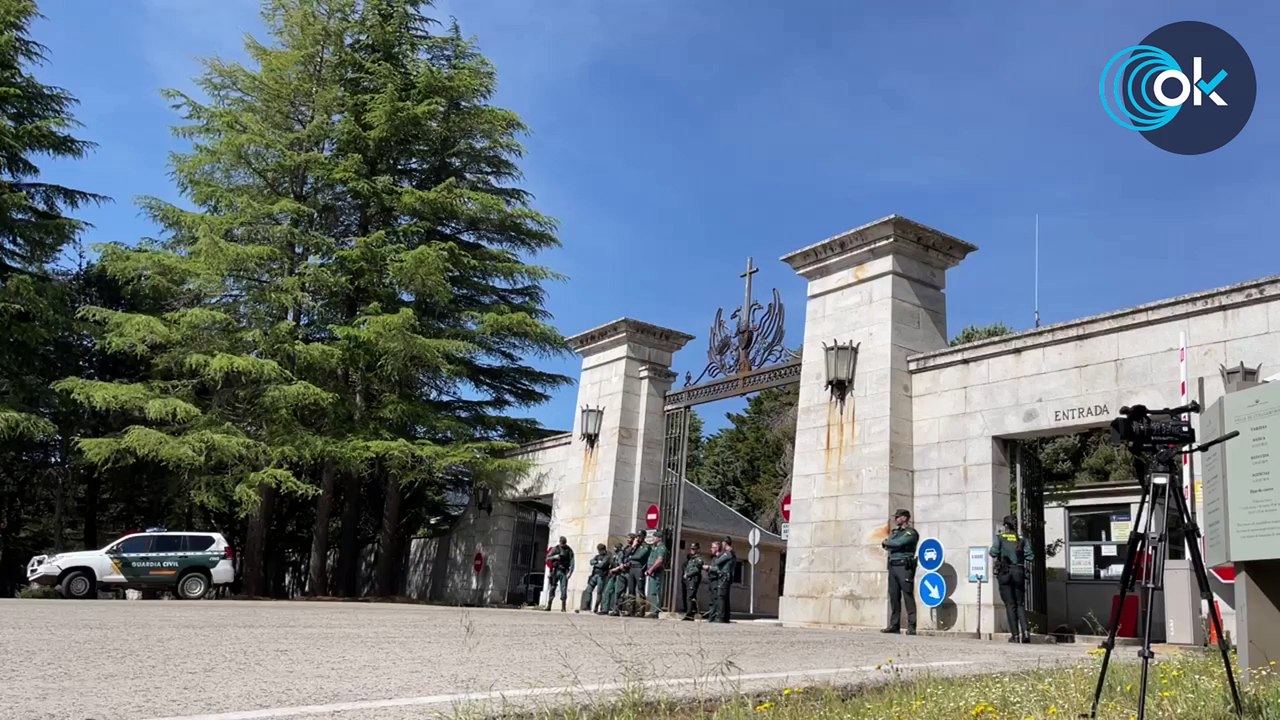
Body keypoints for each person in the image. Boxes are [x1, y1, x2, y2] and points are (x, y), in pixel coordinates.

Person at [990, 514, 1033, 643]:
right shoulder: (1022, 539)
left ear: (1005, 526)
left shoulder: (1001, 538)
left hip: (1005, 573)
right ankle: (1026, 633)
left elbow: (993, 552)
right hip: (1019, 572)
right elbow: (1030, 556)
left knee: (1010, 605)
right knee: (1019, 604)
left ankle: (1015, 635)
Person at [880, 509, 919, 635]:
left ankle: (911, 626)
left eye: (898, 517)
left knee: (907, 595)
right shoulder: (895, 532)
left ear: (905, 518)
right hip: (893, 566)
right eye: (895, 517)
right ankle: (894, 625)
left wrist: (889, 543)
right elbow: (887, 543)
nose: (895, 519)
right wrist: (888, 543)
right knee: (894, 596)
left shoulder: (910, 533)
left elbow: (898, 543)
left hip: (904, 567)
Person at [608, 534, 637, 616]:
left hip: (629, 571)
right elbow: (622, 557)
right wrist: (621, 564)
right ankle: (617, 609)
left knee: (630, 592)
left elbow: (633, 559)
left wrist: (625, 565)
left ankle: (630, 610)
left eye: (630, 538)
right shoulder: (626, 548)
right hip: (622, 572)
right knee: (619, 592)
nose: (628, 540)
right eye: (627, 538)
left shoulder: (636, 548)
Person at [544, 536, 574, 612]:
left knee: (563, 589)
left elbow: (572, 562)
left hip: (564, 571)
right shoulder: (556, 549)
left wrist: (570, 572)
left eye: (563, 543)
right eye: (561, 543)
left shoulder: (569, 550)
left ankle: (563, 606)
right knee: (552, 588)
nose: (562, 545)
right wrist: (555, 557)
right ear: (560, 542)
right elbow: (547, 558)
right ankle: (549, 605)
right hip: (555, 570)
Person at [644, 534, 669, 619]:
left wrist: (651, 569)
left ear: (659, 538)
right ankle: (652, 610)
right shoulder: (655, 547)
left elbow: (659, 560)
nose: (653, 539)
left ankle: (655, 610)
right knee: (652, 591)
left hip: (656, 572)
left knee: (655, 591)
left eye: (655, 537)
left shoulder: (662, 548)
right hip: (652, 572)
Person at [712, 536, 736, 623]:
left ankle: (720, 617)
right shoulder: (731, 553)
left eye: (722, 543)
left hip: (724, 578)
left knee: (721, 597)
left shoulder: (728, 553)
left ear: (725, 543)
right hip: (726, 578)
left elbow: (717, 562)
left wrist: (720, 554)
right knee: (725, 598)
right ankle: (725, 617)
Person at [626, 531, 651, 616]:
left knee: (640, 590)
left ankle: (641, 611)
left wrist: (630, 557)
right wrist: (633, 546)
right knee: (631, 590)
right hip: (632, 569)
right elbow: (626, 554)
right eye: (637, 536)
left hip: (639, 569)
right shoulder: (635, 546)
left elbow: (640, 556)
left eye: (640, 536)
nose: (638, 538)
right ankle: (631, 610)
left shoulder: (646, 546)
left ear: (644, 537)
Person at [582, 543, 609, 613]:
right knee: (588, 590)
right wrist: (597, 562)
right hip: (594, 575)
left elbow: (602, 565)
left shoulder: (607, 557)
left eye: (600, 550)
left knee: (599, 592)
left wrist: (596, 564)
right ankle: (587, 606)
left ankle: (596, 607)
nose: (599, 551)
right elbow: (591, 562)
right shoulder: (597, 556)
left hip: (601, 576)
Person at [600, 541, 625, 615]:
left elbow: (621, 565)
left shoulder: (621, 554)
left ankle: (616, 610)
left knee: (618, 593)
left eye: (616, 547)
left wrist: (614, 569)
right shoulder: (613, 555)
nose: (614, 548)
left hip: (619, 574)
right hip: (612, 575)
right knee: (607, 591)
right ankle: (605, 609)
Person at [681, 542, 703, 621]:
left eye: (694, 549)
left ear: (697, 549)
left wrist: (688, 574)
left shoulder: (698, 559)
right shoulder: (691, 559)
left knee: (690, 597)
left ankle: (689, 614)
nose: (692, 550)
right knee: (690, 596)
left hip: (693, 579)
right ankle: (692, 612)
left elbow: (697, 569)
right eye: (691, 549)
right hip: (689, 579)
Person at [704, 541, 722, 621]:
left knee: (715, 599)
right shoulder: (714, 558)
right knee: (711, 600)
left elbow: (719, 569)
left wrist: (709, 568)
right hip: (711, 580)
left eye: (712, 547)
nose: (711, 549)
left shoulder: (720, 558)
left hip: (716, 580)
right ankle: (711, 617)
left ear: (717, 548)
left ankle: (715, 617)